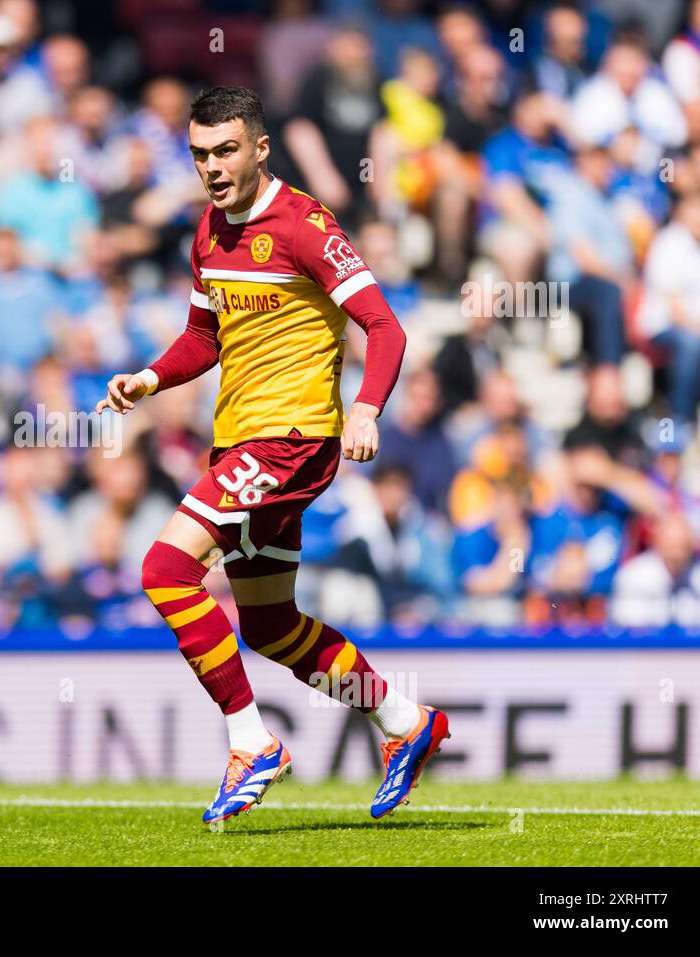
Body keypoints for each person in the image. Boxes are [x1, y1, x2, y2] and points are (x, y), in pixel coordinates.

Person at [95, 87, 449, 824]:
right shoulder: (208, 232)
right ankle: (405, 720)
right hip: (244, 440)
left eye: (226, 150)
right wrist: (150, 378)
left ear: (260, 147)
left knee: (164, 570)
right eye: (199, 154)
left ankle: (251, 741)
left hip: (292, 440)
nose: (213, 168)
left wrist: (365, 408)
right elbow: (203, 338)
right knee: (269, 627)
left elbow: (384, 328)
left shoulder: (305, 225)